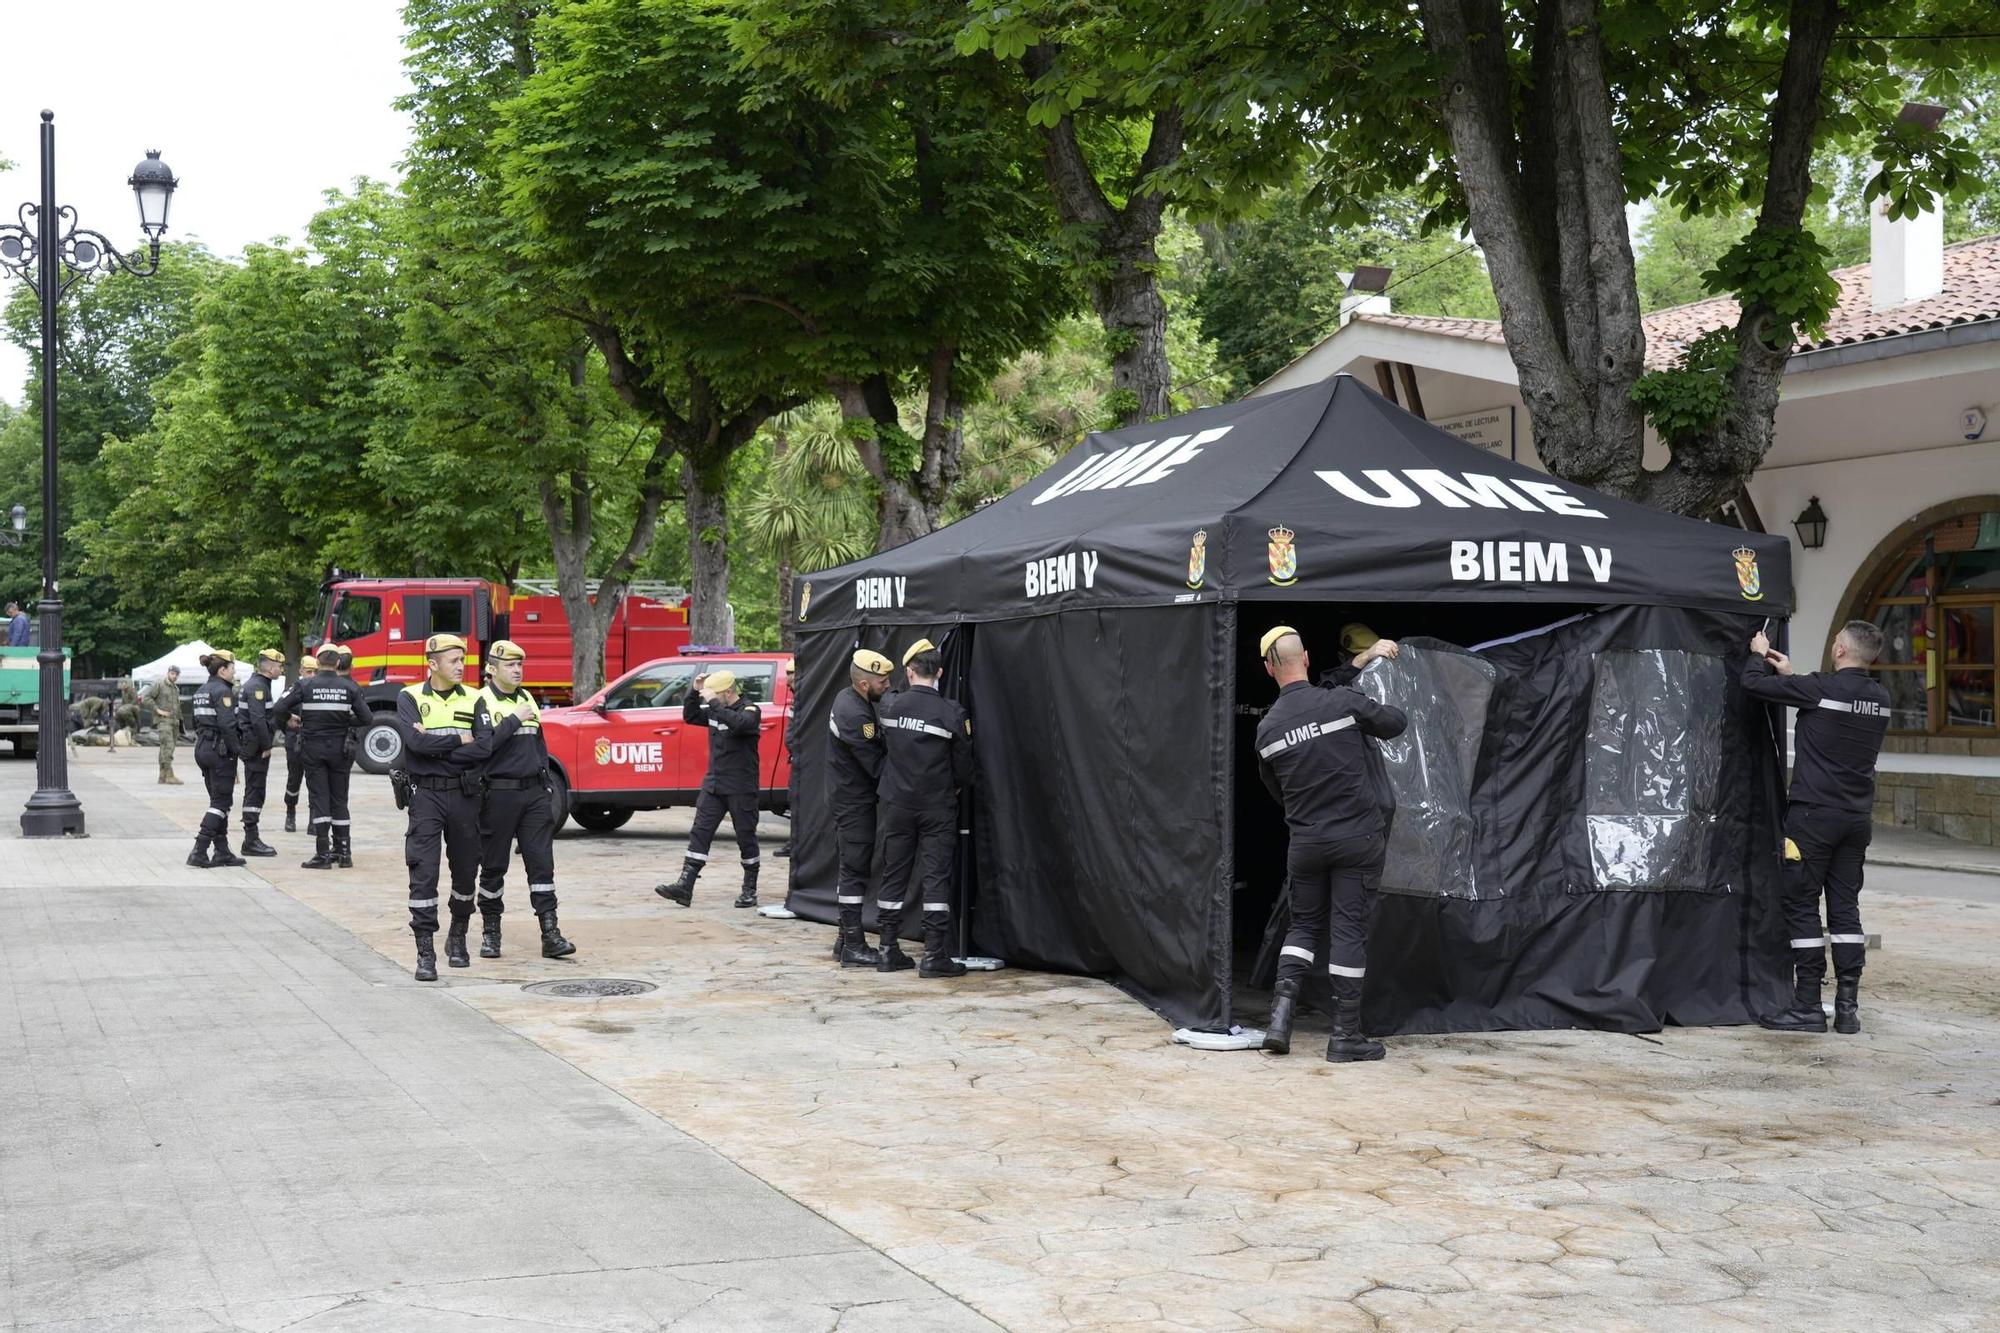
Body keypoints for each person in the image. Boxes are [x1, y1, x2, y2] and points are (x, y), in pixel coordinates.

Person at [1253, 626, 1408, 1062]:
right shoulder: (1340, 703)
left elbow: (1276, 791)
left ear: (1268, 668)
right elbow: (1394, 724)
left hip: (1306, 842)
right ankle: (1345, 1036)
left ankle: (1279, 1022)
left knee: (1302, 928)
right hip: (1357, 838)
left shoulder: (1266, 731)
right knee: (1348, 933)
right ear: (1304, 658)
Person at [1744, 622, 1892, 1035]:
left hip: (1812, 818)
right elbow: (1828, 709)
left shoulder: (1821, 688)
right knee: (1845, 910)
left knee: (1801, 903)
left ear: (1841, 649)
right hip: (1856, 819)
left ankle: (1807, 1003)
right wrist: (1791, 678)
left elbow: (1752, 685)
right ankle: (1847, 1008)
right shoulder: (1880, 699)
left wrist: (1758, 651)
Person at [873, 639, 975, 977]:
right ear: (940, 673)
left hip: (897, 803)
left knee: (894, 872)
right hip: (937, 806)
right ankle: (934, 955)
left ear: (909, 671)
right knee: (935, 878)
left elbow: (886, 744)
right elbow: (964, 766)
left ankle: (887, 949)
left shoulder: (889, 706)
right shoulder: (952, 713)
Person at [472, 640, 575, 960]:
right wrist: (514, 718)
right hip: (499, 793)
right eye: (510, 665)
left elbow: (538, 745)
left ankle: (550, 933)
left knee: (542, 864)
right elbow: (484, 746)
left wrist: (545, 784)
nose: (517, 670)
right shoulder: (482, 700)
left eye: (520, 665)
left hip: (534, 793)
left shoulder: (527, 696)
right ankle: (491, 933)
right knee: (493, 866)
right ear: (492, 669)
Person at [397, 634, 484, 981]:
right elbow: (414, 744)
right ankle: (425, 952)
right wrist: (459, 739)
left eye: (463, 660)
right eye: (453, 661)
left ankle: (458, 936)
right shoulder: (410, 696)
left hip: (464, 795)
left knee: (466, 872)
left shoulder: (476, 698)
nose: (461, 666)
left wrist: (435, 746)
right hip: (425, 797)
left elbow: (485, 748)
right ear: (433, 664)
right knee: (423, 873)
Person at [655, 669, 764, 909]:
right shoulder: (716, 710)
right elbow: (691, 715)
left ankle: (749, 889)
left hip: (740, 786)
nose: (709, 701)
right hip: (714, 783)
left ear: (728, 692)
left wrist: (713, 702)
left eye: (714, 696)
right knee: (700, 831)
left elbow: (739, 724)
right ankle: (685, 886)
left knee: (746, 836)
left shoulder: (750, 710)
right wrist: (694, 691)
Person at [272, 644, 373, 871]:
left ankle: (322, 854)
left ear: (317, 663)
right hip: (340, 750)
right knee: (339, 799)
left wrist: (291, 719)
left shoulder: (305, 684)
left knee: (319, 799)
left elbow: (279, 707)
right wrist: (345, 721)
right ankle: (344, 853)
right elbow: (367, 718)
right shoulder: (350, 687)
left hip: (313, 749)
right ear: (338, 663)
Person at [827, 649, 894, 967]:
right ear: (865, 683)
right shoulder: (856, 714)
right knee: (854, 871)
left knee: (849, 869)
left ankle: (844, 939)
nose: (889, 685)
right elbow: (876, 766)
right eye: (883, 681)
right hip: (854, 802)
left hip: (847, 798)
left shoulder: (849, 699)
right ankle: (854, 944)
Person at [187, 651, 248, 869]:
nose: (234, 672)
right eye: (232, 668)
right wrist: (239, 751)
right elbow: (227, 725)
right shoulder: (223, 691)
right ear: (222, 670)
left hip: (203, 747)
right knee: (221, 802)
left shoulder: (201, 690)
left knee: (217, 802)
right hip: (219, 750)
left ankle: (222, 852)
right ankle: (200, 850)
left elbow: (194, 721)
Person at [232, 650, 285, 858]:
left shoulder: (260, 685)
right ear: (271, 667)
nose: (280, 670)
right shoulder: (258, 687)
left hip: (253, 745)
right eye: (279, 666)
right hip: (255, 747)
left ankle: (251, 838)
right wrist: (267, 745)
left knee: (255, 790)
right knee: (255, 791)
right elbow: (257, 720)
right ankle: (251, 840)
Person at [146, 666, 181, 784]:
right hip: (163, 721)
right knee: (168, 747)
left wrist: (180, 723)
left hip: (174, 722)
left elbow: (177, 707)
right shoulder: (159, 684)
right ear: (168, 673)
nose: (174, 676)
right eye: (172, 673)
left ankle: (162, 775)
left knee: (164, 749)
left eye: (176, 674)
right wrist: (157, 710)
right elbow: (147, 698)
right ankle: (169, 775)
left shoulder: (175, 688)